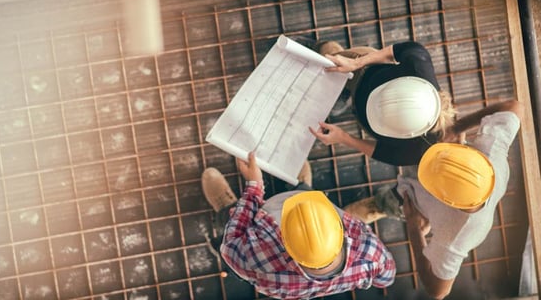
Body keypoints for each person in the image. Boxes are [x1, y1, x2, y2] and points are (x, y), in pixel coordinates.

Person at [345, 100, 523, 299]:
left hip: (413, 202)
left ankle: (378, 206)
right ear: (472, 156)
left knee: (387, 203)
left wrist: (415, 231)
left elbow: (438, 291)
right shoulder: (491, 153)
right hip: (441, 161)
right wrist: (457, 127)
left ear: (443, 199)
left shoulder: (455, 236)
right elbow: (514, 106)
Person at [201, 152, 396, 299]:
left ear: (284, 240)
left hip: (265, 210)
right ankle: (303, 188)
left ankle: (228, 207)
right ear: (341, 231)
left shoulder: (265, 267)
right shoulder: (371, 255)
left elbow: (231, 245)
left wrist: (254, 186)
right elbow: (386, 278)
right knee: (305, 193)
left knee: (231, 219)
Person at [310, 41, 456, 166]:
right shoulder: (418, 65)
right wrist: (355, 63)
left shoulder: (417, 150)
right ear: (404, 80)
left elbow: (381, 152)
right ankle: (324, 47)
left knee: (329, 90)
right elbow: (394, 51)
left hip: (361, 112)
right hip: (364, 69)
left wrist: (343, 138)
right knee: (329, 56)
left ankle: (344, 96)